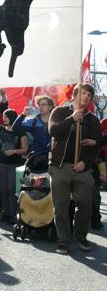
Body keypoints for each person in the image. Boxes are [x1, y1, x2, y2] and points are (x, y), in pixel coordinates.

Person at [48, 84, 102, 255]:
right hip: (60, 166)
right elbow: (53, 131)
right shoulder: (59, 111)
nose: (86, 96)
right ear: (75, 94)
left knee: (85, 203)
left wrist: (85, 163)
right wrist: (71, 118)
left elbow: (96, 145)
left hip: (82, 168)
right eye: (83, 93)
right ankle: (63, 240)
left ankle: (80, 235)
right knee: (61, 205)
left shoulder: (92, 119)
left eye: (89, 95)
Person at [0, 109, 28, 223]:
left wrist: (13, 151)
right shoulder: (1, 129)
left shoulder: (20, 131)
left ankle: (13, 214)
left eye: (6, 116)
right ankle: (6, 213)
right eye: (3, 116)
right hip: (2, 164)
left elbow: (25, 149)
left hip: (15, 165)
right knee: (3, 190)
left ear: (12, 117)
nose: (3, 119)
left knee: (12, 189)